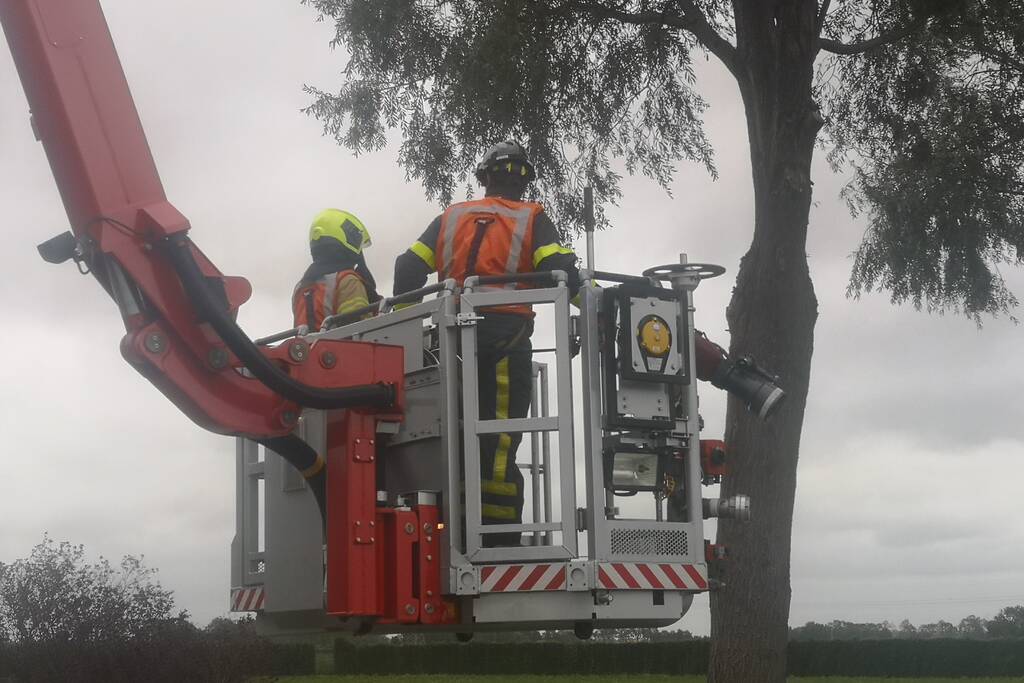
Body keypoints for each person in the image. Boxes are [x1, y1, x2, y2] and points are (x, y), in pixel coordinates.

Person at [394, 141, 580, 547]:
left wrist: (401, 328)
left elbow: (407, 266)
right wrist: (599, 306)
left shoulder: (452, 215)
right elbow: (560, 270)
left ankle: (451, 533)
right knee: (498, 443)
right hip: (504, 342)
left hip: (450, 341)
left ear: (485, 178)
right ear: (523, 178)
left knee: (453, 437)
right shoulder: (531, 216)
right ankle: (496, 540)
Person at [292, 208, 381, 330]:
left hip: (309, 348)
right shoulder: (347, 280)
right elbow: (361, 330)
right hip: (344, 348)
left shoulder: (301, 287)